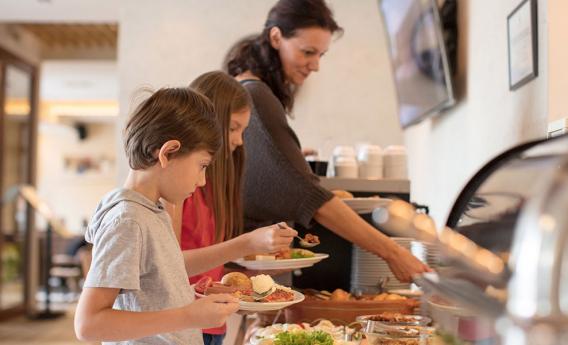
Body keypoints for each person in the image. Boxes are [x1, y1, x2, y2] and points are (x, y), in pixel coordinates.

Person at [226, 0, 431, 282]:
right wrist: (393, 252)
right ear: (276, 37)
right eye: (308, 52)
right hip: (243, 269)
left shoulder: (246, 88)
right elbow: (313, 198)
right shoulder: (256, 95)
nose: (316, 65)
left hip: (246, 264)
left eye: (321, 54)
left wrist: (291, 157)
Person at [74, 87, 240, 344]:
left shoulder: (153, 211)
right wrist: (188, 315)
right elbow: (89, 324)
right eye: (202, 166)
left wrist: (186, 296)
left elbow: (150, 296)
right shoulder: (128, 220)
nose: (202, 180)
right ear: (167, 153)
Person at [168, 71, 297, 345]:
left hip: (214, 325)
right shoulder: (177, 188)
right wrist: (246, 244)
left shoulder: (213, 185)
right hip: (185, 325)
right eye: (233, 128)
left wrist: (258, 275)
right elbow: (170, 265)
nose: (239, 141)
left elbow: (207, 273)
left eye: (243, 130)